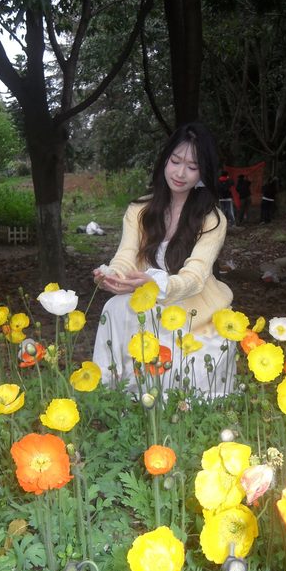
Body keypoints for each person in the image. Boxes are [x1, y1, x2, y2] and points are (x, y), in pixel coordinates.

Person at [92, 123, 236, 396]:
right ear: (165, 160)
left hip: (193, 309)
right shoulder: (140, 209)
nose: (180, 173)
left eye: (192, 167)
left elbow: (195, 277)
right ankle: (111, 393)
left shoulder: (212, 219)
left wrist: (158, 284)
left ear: (203, 172)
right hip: (149, 301)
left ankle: (171, 405)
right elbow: (126, 255)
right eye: (176, 161)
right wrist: (112, 275)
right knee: (114, 306)